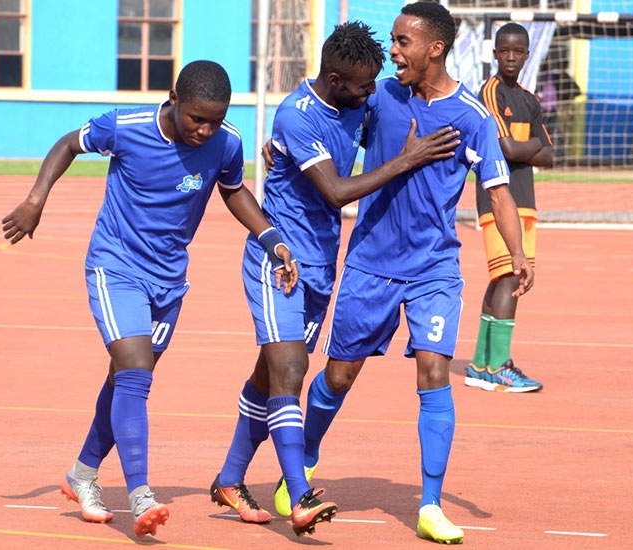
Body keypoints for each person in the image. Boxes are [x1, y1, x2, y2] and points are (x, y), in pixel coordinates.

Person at [1, 60, 297, 539]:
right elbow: (67, 144)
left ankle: (82, 474)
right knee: (135, 371)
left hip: (169, 280)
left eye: (215, 120)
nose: (205, 130)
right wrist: (36, 199)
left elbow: (234, 190)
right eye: (196, 118)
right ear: (173, 99)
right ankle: (141, 495)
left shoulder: (227, 142)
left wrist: (272, 239)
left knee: (125, 379)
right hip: (115, 267)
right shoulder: (126, 126)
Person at [274, 2, 535, 545]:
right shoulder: (382, 97)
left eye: (402, 42)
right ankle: (305, 458)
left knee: (435, 373)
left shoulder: (471, 117)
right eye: (393, 41)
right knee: (339, 377)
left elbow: (498, 190)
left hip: (434, 267)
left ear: (434, 49)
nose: (393, 51)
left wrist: (519, 254)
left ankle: (432, 504)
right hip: (370, 262)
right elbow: (331, 125)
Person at [208, 21, 460, 537]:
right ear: (335, 78)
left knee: (268, 376)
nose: (373, 93)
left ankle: (230, 478)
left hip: (322, 267)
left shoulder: (354, 106)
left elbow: (378, 123)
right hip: (280, 262)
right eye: (364, 86)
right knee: (291, 369)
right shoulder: (298, 117)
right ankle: (300, 493)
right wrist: (409, 158)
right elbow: (338, 193)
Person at [465, 22, 553, 393]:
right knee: (510, 276)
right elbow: (506, 149)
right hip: (498, 198)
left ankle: (481, 363)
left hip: (526, 201)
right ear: (495, 53)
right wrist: (530, 146)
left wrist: (527, 148)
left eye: (518, 51)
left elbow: (549, 156)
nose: (512, 57)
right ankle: (498, 367)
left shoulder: (530, 100)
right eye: (505, 51)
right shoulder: (489, 92)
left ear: (527, 55)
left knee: (503, 276)